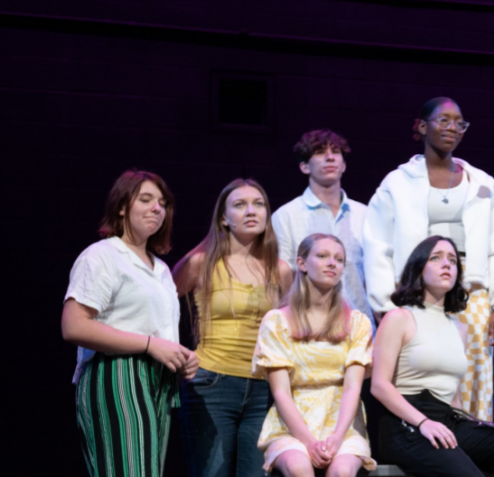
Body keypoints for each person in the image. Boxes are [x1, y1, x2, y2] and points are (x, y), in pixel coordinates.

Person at [363, 96, 494, 421]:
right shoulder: (398, 183)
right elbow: (378, 244)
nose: (452, 128)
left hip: (471, 294)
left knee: (474, 378)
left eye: (459, 123)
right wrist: (384, 303)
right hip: (416, 295)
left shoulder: (482, 184)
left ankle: (474, 443)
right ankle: (425, 439)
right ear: (422, 127)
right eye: (443, 120)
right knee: (421, 376)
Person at [62, 169, 198, 477]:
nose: (157, 208)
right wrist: (150, 345)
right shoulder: (103, 255)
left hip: (158, 381)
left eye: (162, 203)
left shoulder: (161, 269)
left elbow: (156, 332)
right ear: (122, 206)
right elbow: (74, 326)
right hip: (116, 374)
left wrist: (179, 359)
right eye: (146, 199)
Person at [371, 236, 494, 477]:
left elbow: (454, 394)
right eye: (436, 258)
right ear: (418, 268)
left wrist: (465, 425)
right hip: (406, 424)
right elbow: (379, 385)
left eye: (452, 260)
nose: (446, 264)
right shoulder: (399, 317)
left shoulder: (459, 328)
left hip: (446, 420)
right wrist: (423, 422)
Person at [173, 178, 292, 477]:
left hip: (264, 389)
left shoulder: (279, 269)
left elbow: (288, 330)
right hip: (211, 384)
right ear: (224, 219)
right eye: (240, 205)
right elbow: (160, 311)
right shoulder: (201, 263)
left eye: (258, 204)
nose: (251, 211)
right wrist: (176, 357)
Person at [252, 234, 376, 477]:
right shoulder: (277, 321)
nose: (332, 263)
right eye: (322, 256)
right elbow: (281, 392)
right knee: (298, 466)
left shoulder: (357, 323)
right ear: (301, 263)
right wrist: (309, 442)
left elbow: (352, 388)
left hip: (342, 425)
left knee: (342, 471)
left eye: (338, 259)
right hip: (292, 425)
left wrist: (337, 437)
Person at [272, 129, 373, 324]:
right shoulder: (286, 215)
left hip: (358, 323)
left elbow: (373, 274)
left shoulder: (365, 214)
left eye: (335, 152)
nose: (330, 157)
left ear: (344, 165)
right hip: (307, 324)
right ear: (304, 167)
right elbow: (283, 276)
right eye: (320, 152)